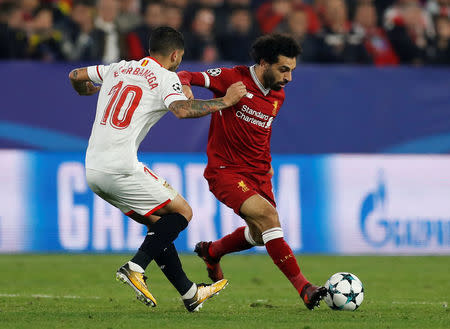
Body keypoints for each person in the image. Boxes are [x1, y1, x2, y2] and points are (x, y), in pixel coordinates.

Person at [68, 26, 247, 312]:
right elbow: (182, 110)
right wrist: (225, 101)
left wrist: (85, 91)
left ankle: (190, 293)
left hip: (93, 169)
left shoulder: (119, 67)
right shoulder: (166, 78)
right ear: (175, 55)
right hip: (121, 167)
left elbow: (75, 76)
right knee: (183, 212)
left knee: (158, 226)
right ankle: (135, 267)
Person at [177, 33, 327, 310]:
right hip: (225, 171)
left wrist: (265, 162)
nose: (288, 78)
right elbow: (186, 74)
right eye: (283, 70)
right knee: (270, 217)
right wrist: (185, 88)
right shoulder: (230, 78)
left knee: (260, 235)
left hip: (258, 173)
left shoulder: (278, 95)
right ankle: (304, 288)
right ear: (263, 63)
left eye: (292, 71)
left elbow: (259, 131)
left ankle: (212, 251)